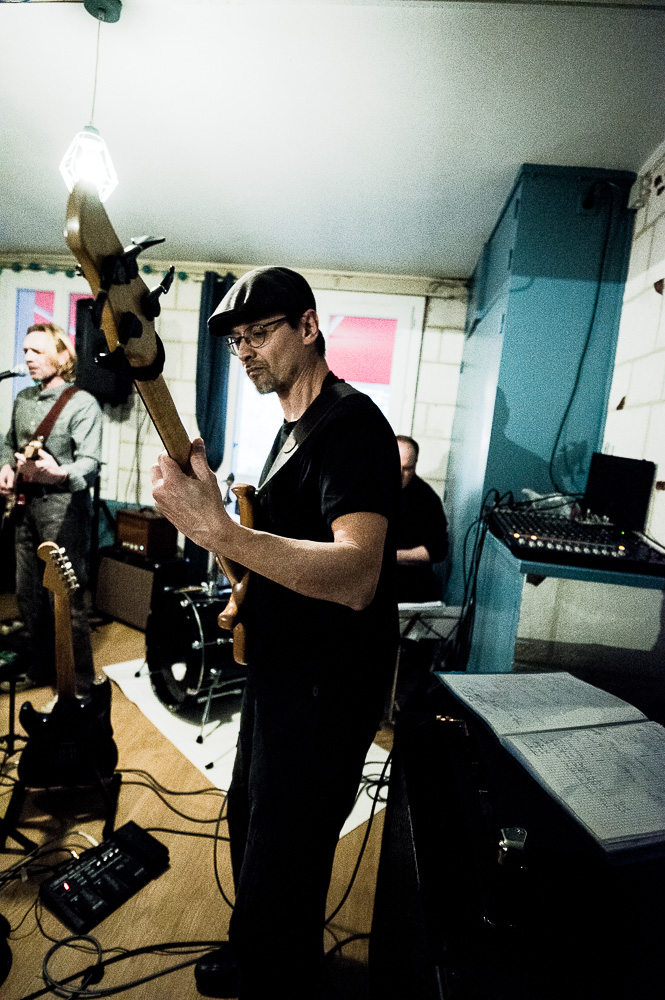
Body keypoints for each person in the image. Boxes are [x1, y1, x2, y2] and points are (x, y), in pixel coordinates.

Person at [151, 266, 400, 1000]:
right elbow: (280, 555)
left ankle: (280, 977)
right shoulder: (291, 431)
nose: (245, 352)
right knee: (254, 817)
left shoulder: (352, 424)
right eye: (236, 342)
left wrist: (220, 530)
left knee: (291, 837)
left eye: (259, 333)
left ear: (309, 327)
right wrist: (242, 586)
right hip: (281, 667)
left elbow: (356, 574)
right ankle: (257, 948)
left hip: (329, 683)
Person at [0, 323, 102, 695]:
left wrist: (59, 473)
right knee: (27, 594)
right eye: (26, 350)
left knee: (65, 597)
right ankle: (41, 667)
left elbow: (90, 463)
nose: (28, 358)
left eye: (38, 351)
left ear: (62, 356)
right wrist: (5, 466)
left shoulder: (82, 403)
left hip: (62, 508)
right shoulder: (23, 398)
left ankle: (80, 685)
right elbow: (7, 442)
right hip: (24, 508)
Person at [396, 434, 449, 603]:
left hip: (411, 590)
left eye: (407, 468)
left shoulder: (427, 499)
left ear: (415, 465)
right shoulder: (367, 490)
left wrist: (389, 556)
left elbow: (438, 550)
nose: (399, 474)